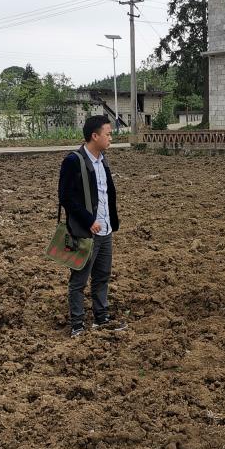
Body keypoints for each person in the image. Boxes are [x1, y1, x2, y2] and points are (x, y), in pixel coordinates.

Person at [58, 115, 126, 337]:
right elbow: (65, 197)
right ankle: (77, 324)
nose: (111, 138)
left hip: (105, 229)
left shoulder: (102, 161)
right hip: (86, 231)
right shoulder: (73, 161)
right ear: (95, 136)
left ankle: (101, 317)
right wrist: (89, 220)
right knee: (79, 279)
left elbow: (106, 194)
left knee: (102, 276)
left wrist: (109, 221)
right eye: (108, 134)